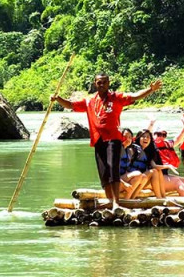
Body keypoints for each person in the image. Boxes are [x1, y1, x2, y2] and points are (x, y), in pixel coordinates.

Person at [51, 73, 162, 210]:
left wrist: (150, 89)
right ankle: (110, 201)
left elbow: (134, 96)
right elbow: (70, 105)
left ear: (108, 83)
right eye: (99, 82)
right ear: (95, 83)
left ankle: (116, 203)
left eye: (104, 82)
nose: (101, 84)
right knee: (103, 173)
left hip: (113, 139)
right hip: (98, 140)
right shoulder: (89, 101)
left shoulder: (116, 98)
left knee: (112, 169)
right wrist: (57, 98)